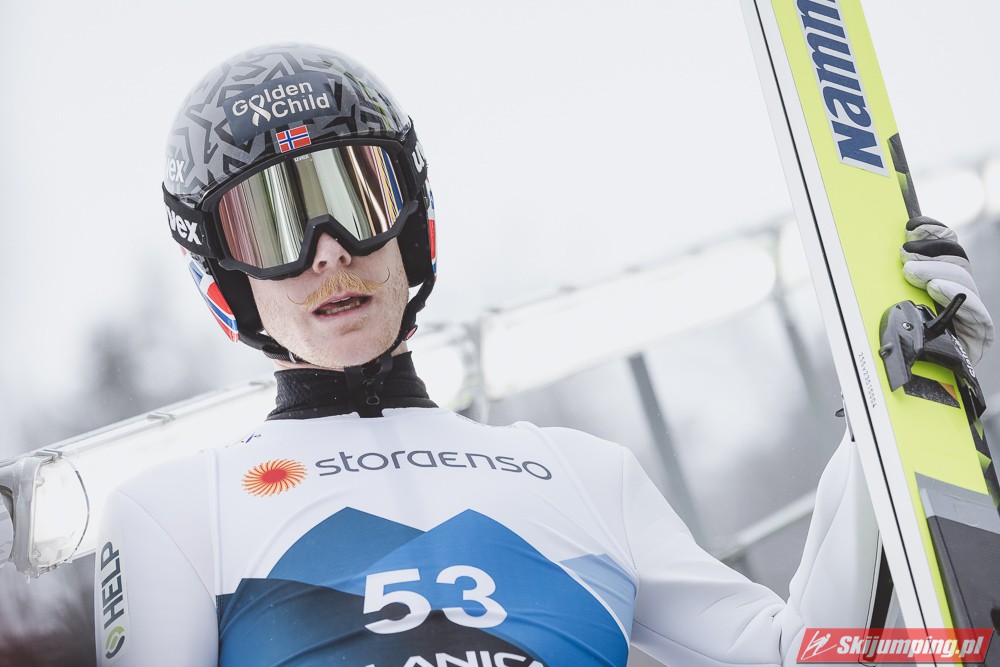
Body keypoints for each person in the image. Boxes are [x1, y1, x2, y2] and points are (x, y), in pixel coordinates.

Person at [93, 43, 994, 667]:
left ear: (412, 221)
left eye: (356, 196)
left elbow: (809, 655)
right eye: (273, 224)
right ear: (224, 280)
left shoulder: (583, 475)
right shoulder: (174, 512)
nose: (329, 251)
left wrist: (884, 426)